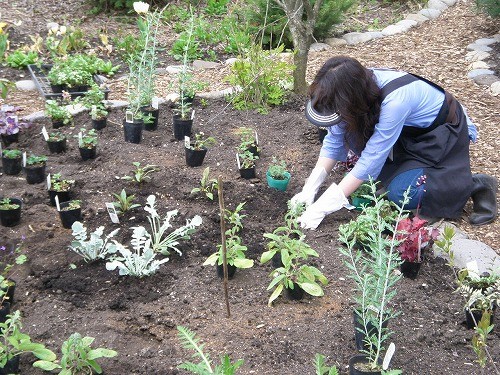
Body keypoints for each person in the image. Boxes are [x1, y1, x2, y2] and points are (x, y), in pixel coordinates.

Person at [292, 56, 498, 230]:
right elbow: (335, 141)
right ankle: (410, 175)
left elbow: (371, 159)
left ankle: (474, 184)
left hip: (440, 135)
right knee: (354, 139)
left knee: (403, 193)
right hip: (409, 135)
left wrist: (322, 208)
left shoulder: (396, 101)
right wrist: (310, 189)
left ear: (349, 100)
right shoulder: (353, 88)